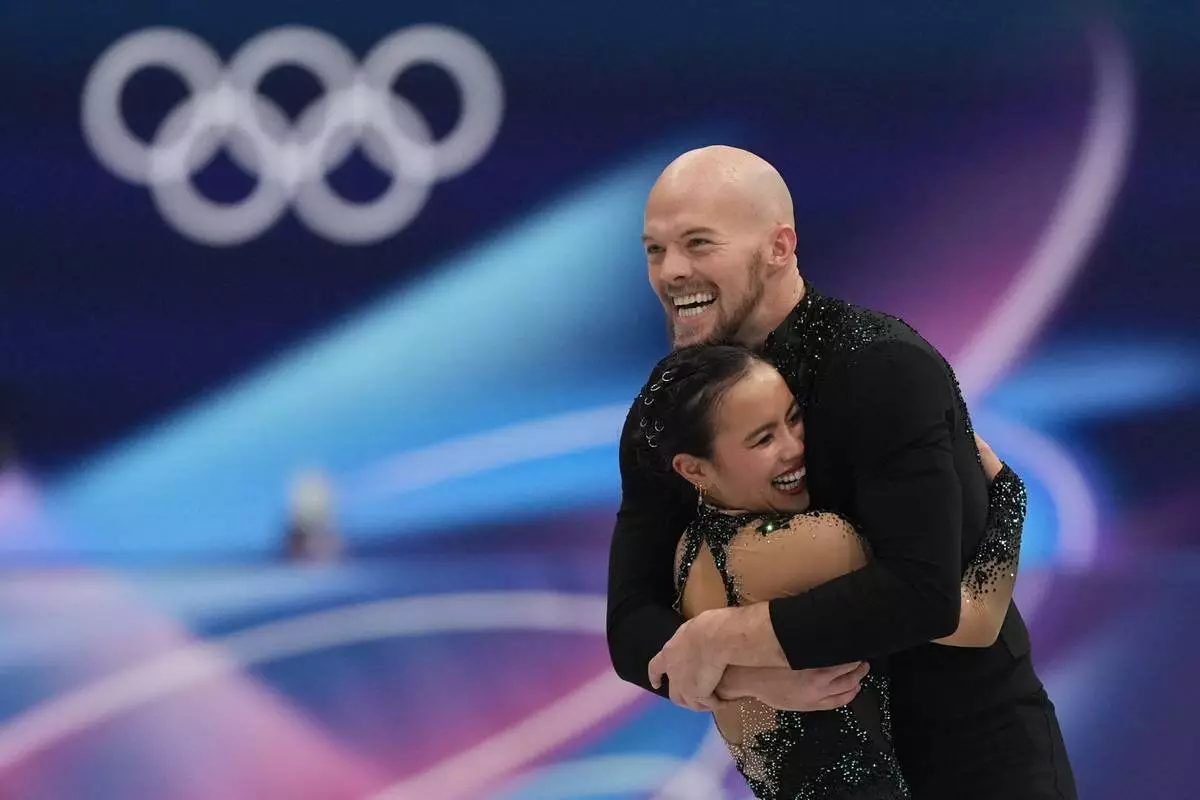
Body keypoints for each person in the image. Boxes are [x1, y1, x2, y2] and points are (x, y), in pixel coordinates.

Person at [607, 145, 1076, 798]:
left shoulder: (883, 367)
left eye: (698, 243)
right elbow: (632, 624)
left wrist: (724, 636)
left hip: (979, 767)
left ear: (779, 246)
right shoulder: (669, 412)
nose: (671, 271)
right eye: (655, 250)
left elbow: (920, 594)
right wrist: (746, 676)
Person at [631, 342, 1025, 799]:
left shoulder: (688, 552)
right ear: (694, 469)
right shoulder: (812, 544)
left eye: (793, 418)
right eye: (763, 439)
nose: (794, 447)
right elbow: (975, 620)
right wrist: (1010, 501)